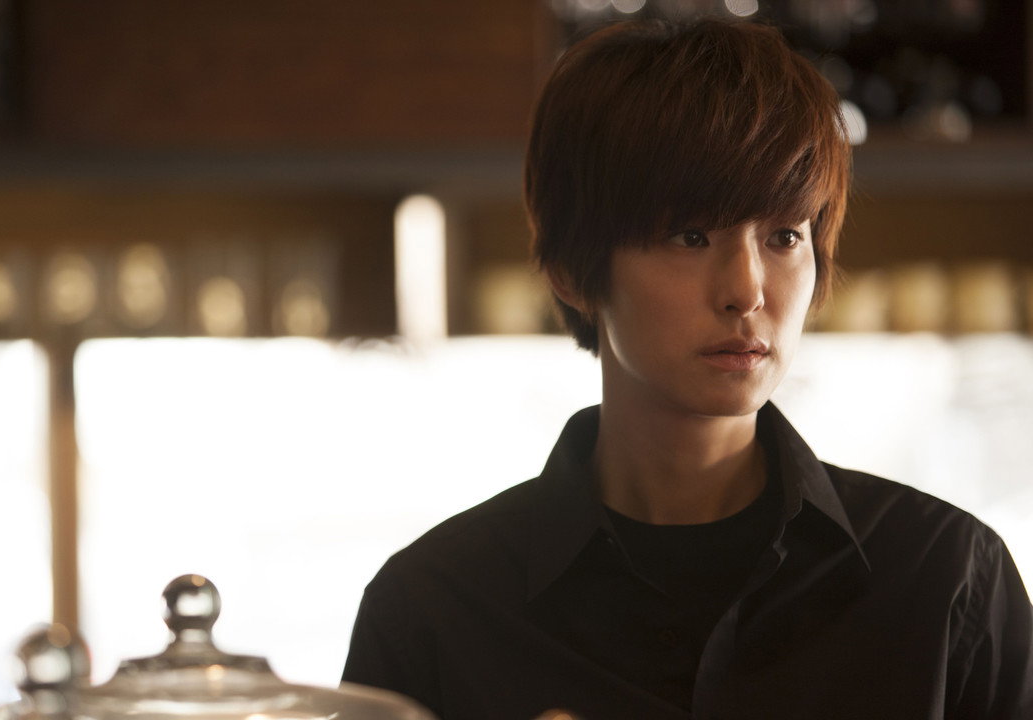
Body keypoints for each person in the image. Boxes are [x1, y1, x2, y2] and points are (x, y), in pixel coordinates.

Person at [341, 18, 1033, 720]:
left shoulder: (946, 580)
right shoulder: (432, 609)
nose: (748, 290)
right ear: (572, 271)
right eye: (691, 235)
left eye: (784, 236)